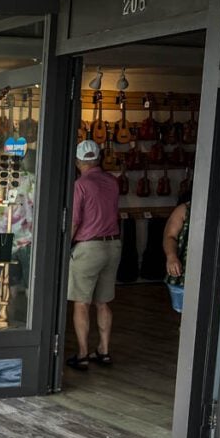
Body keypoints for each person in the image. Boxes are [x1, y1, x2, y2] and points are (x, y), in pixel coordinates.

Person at [66, 139, 122, 371]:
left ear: (79, 162)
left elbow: (75, 220)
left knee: (81, 303)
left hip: (89, 247)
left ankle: (82, 354)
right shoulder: (113, 182)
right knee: (103, 302)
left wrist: (65, 245)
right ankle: (104, 350)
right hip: (113, 245)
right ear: (98, 158)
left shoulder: (80, 184)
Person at [164, 191, 192, 314]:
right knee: (184, 316)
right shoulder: (184, 209)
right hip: (183, 273)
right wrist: (171, 257)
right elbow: (170, 236)